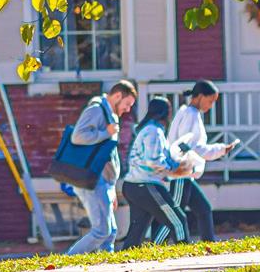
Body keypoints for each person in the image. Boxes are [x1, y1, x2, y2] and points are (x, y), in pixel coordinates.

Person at [64, 78, 137, 254]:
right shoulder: (96, 109)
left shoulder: (108, 113)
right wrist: (106, 132)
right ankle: (67, 260)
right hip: (93, 179)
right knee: (101, 231)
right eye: (127, 104)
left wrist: (111, 189)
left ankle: (106, 266)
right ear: (117, 96)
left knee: (111, 231)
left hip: (104, 181)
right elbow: (77, 137)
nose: (127, 110)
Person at [166, 79, 236, 243]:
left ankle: (208, 244)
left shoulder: (186, 112)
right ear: (199, 96)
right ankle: (162, 244)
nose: (211, 106)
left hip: (185, 172)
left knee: (204, 209)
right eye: (210, 101)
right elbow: (191, 147)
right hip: (181, 172)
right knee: (175, 214)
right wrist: (220, 150)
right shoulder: (191, 115)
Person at [119, 94, 187, 246]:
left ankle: (127, 261)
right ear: (164, 113)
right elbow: (153, 160)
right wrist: (173, 168)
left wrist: (174, 162)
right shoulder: (153, 131)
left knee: (137, 231)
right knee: (178, 221)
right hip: (146, 184)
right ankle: (189, 255)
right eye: (170, 110)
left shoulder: (152, 130)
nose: (171, 114)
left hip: (133, 185)